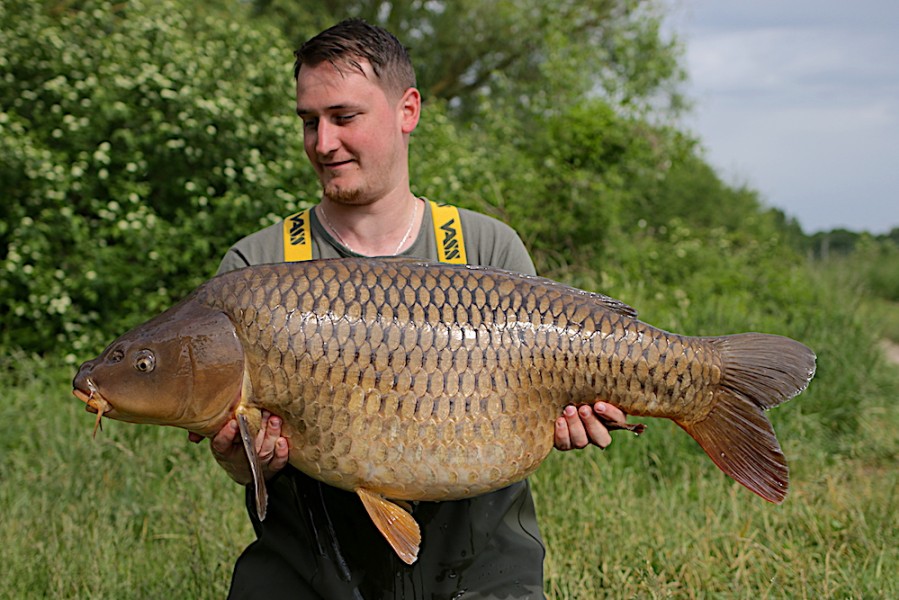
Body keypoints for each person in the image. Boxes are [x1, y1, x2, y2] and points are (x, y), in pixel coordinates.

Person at [198, 19, 629, 599]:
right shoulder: (256, 267)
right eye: (309, 121)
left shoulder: (487, 248)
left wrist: (572, 417)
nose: (323, 143)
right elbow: (239, 454)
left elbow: (546, 405)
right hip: (310, 572)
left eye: (344, 118)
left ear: (408, 111)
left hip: (478, 568)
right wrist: (245, 461)